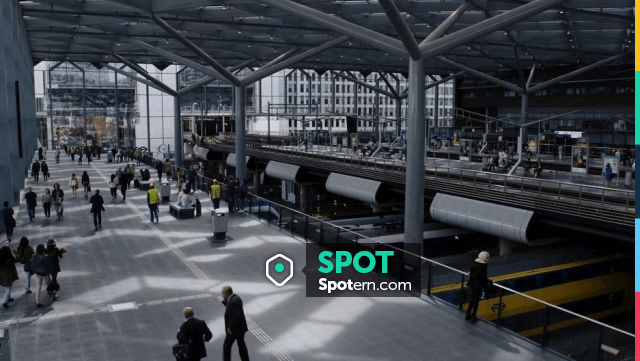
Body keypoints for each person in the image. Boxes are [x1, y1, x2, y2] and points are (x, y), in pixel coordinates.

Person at [221, 286, 250, 361]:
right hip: (240, 328)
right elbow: (232, 309)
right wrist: (225, 301)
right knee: (241, 345)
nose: (222, 295)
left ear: (227, 293)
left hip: (234, 329)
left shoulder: (234, 301)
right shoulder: (235, 298)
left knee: (226, 346)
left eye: (223, 294)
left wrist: (230, 328)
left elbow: (236, 316)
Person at [465, 251, 492, 323]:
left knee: (471, 300)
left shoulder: (474, 262)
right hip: (478, 286)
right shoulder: (484, 265)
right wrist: (490, 282)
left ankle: (467, 315)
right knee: (476, 302)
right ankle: (473, 317)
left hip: (471, 284)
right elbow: (483, 277)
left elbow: (471, 273)